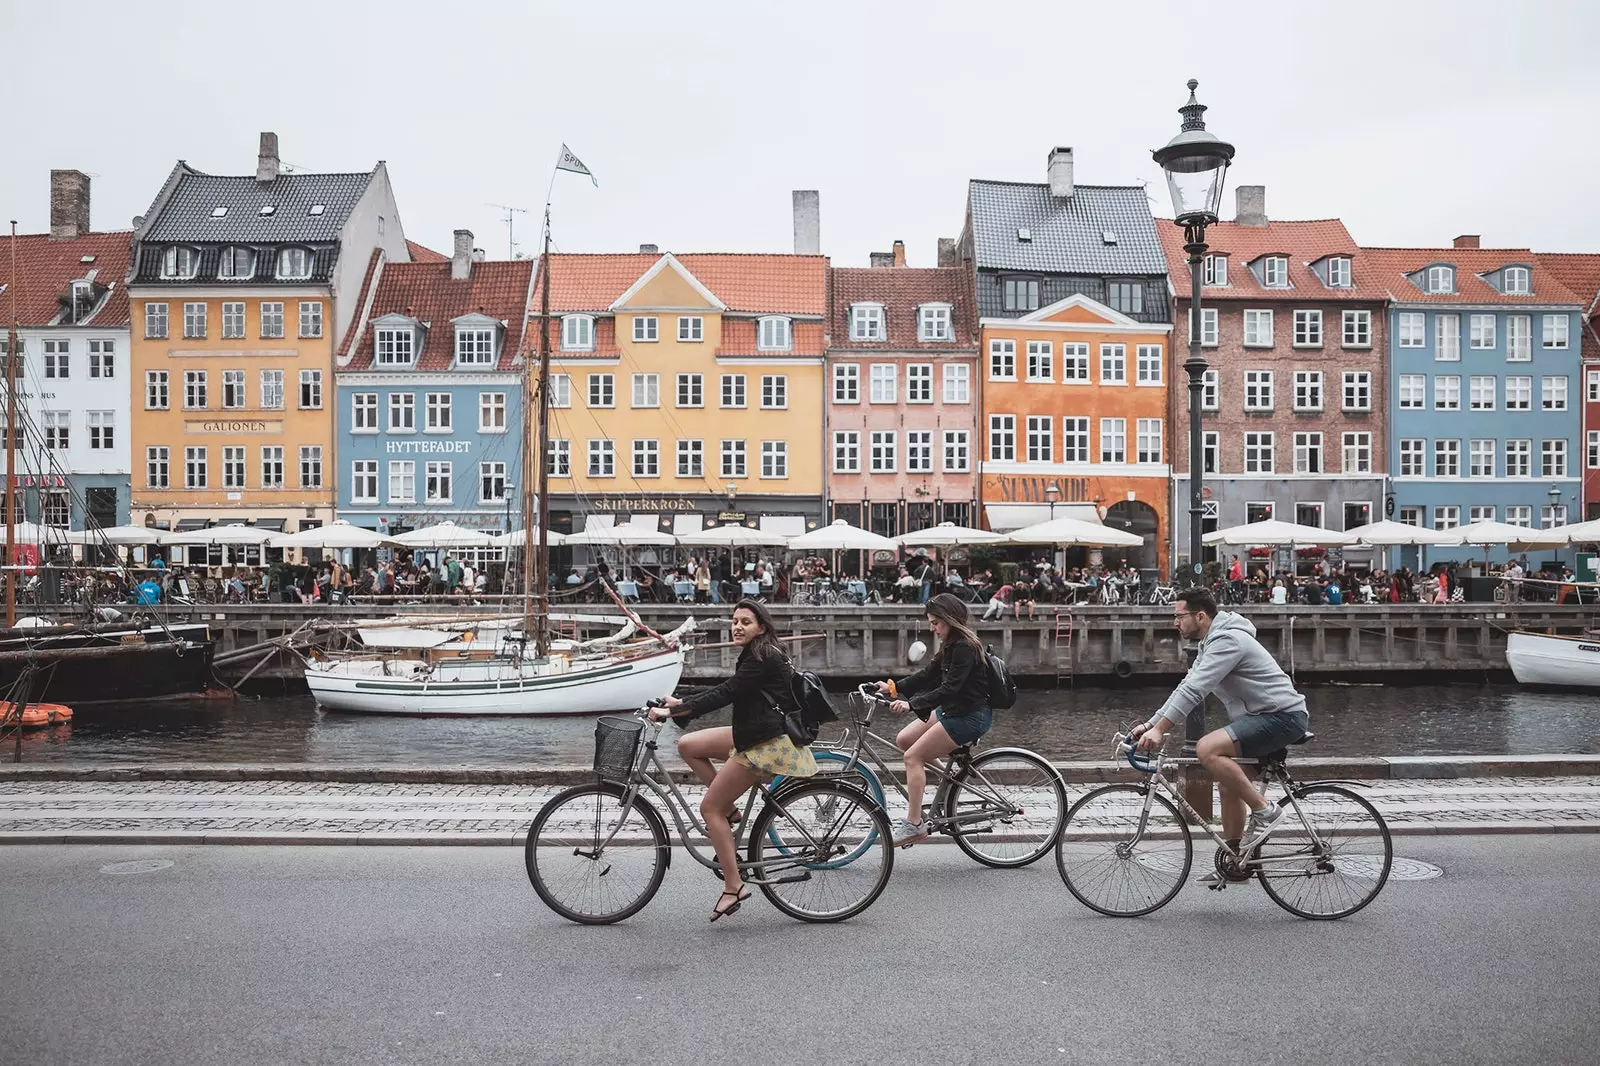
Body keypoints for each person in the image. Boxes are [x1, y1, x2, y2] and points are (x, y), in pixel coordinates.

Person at [1131, 589, 1311, 886]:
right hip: (1262, 717)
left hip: (1282, 717)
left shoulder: (1227, 640)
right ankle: (1237, 863)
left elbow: (1195, 691)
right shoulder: (1210, 643)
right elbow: (1185, 685)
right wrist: (1150, 724)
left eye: (1179, 616)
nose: (1175, 622)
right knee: (1229, 787)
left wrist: (1161, 730)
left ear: (1200, 616)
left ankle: (1267, 812)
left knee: (1207, 748)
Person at [651, 599, 815, 921]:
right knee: (688, 745)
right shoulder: (760, 651)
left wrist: (674, 710)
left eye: (745, 622)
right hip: (753, 730)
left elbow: (726, 693)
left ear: (761, 627)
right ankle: (732, 810)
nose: (737, 626)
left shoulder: (761, 656)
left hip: (764, 742)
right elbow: (730, 690)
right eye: (734, 620)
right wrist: (682, 702)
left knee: (709, 808)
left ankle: (733, 885)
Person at [873, 593, 992, 846]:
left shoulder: (964, 647)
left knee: (912, 757)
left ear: (950, 620)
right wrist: (892, 688)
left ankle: (914, 824)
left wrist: (911, 704)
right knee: (905, 739)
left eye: (935, 622)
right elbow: (927, 675)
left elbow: (950, 689)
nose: (932, 628)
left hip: (969, 716)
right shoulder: (951, 644)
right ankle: (950, 782)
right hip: (953, 710)